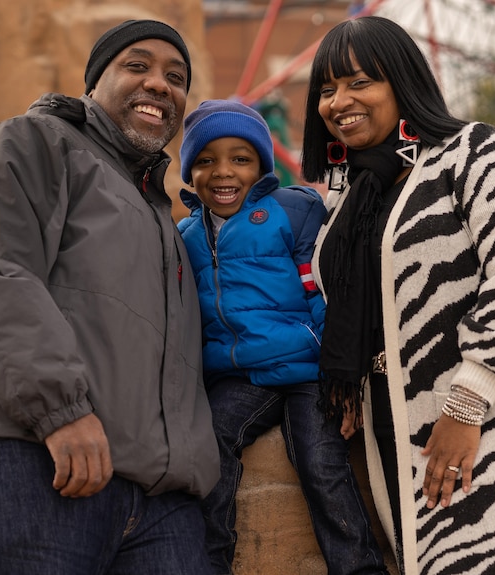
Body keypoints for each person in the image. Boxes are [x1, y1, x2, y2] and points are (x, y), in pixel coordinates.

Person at [0, 19, 220, 575]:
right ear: (94, 82)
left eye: (176, 76)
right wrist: (61, 412)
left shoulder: (160, 215)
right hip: (29, 461)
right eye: (137, 66)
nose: (159, 85)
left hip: (157, 501)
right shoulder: (28, 143)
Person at [300, 16, 495, 575]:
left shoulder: (475, 154)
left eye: (359, 82)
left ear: (404, 82)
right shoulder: (352, 190)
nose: (339, 101)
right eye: (327, 88)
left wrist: (466, 406)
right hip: (395, 422)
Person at [177, 99, 389, 575]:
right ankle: (210, 562)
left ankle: (358, 568)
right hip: (240, 373)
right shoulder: (186, 234)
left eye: (240, 158)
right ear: (191, 172)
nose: (223, 172)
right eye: (206, 161)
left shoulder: (292, 212)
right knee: (209, 444)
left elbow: (322, 292)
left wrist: (342, 379)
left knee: (319, 461)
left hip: (306, 368)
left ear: (261, 166)